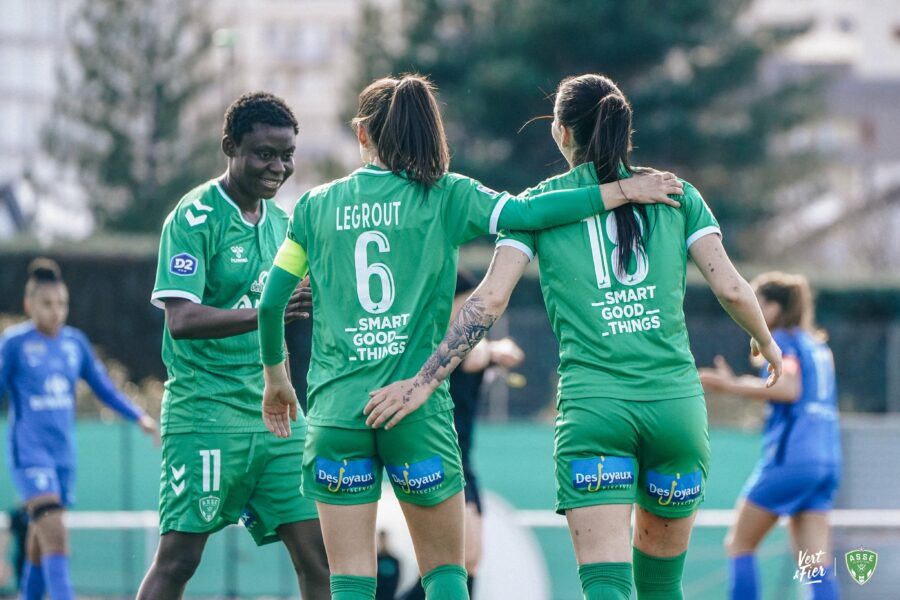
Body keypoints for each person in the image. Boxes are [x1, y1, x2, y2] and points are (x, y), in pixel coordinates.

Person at [256, 73, 682, 600]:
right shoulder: (447, 194)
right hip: (416, 414)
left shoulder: (314, 207)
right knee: (447, 575)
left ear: (362, 134)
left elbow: (272, 303)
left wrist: (277, 381)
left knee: (350, 580)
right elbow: (526, 213)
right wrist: (622, 190)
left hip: (338, 412)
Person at [366, 73, 783, 600]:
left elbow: (488, 301)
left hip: (594, 413)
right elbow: (732, 288)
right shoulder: (676, 193)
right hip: (675, 409)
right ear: (623, 134)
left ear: (561, 133)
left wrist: (425, 379)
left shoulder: (538, 206)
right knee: (661, 587)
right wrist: (766, 343)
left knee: (606, 584)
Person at [137, 92, 329, 600]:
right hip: (206, 409)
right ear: (230, 146)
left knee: (321, 554)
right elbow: (181, 319)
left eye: (287, 154)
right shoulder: (194, 217)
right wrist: (265, 312)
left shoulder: (286, 226)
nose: (279, 166)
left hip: (276, 412)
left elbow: (290, 321)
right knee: (179, 560)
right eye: (265, 153)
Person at [0, 258, 159, 600]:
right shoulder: (15, 343)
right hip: (30, 455)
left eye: (61, 304)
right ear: (29, 304)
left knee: (41, 543)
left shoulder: (75, 343)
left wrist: (139, 417)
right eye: (47, 304)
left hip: (63, 457)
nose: (55, 311)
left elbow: (104, 389)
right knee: (55, 532)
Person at [699, 272, 841, 600]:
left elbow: (789, 387)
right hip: (827, 462)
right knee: (813, 561)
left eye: (758, 302)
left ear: (775, 308)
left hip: (791, 460)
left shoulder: (785, 342)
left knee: (739, 544)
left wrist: (729, 385)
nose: (754, 309)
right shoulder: (817, 346)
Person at [402, 271, 524, 600]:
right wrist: (492, 350)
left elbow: (496, 351)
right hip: (434, 456)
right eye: (467, 302)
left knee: (469, 560)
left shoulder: (474, 341)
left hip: (463, 461)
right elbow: (473, 356)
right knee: (453, 560)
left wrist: (496, 348)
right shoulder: (435, 346)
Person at [375, 530, 401, 600]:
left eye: (384, 539)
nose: (383, 542)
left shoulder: (395, 561)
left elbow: (396, 581)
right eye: (381, 540)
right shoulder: (375, 560)